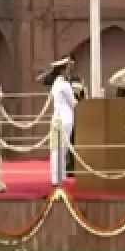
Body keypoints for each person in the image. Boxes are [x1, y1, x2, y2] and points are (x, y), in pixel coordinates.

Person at [47, 57, 77, 186]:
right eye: (68, 68)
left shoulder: (56, 83)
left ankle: (60, 175)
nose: (69, 70)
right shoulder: (64, 84)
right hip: (65, 119)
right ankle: (57, 177)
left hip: (57, 119)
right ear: (63, 70)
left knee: (59, 148)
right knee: (60, 149)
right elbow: (73, 102)